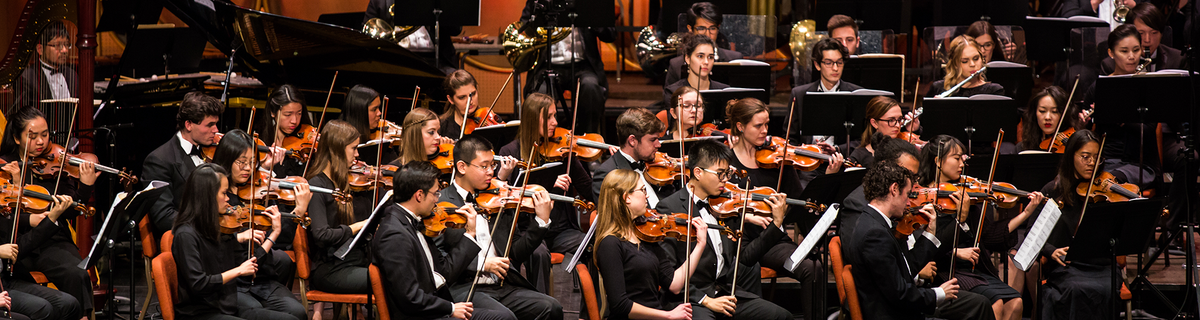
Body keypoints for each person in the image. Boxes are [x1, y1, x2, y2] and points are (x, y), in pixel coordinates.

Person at [656, 140, 792, 320]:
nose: (726, 179)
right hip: (691, 298)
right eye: (720, 174)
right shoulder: (669, 208)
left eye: (727, 173)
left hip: (724, 292)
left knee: (782, 316)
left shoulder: (725, 207)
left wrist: (776, 224)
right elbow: (668, 276)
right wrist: (706, 300)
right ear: (698, 172)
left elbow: (746, 258)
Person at [721, 99, 829, 320]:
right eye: (758, 126)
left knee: (813, 268)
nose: (765, 131)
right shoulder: (725, 162)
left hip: (773, 239)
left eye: (767, 125)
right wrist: (744, 214)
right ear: (740, 127)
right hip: (740, 241)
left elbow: (801, 205)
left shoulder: (779, 160)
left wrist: (828, 179)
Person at [917, 135, 1043, 320]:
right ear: (938, 161)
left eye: (963, 158)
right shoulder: (924, 199)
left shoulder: (965, 194)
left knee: (1016, 302)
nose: (962, 163)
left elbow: (991, 235)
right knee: (996, 305)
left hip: (973, 269)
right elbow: (923, 247)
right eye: (956, 158)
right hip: (945, 270)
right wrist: (956, 252)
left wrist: (1026, 213)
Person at [436, 134, 560, 320]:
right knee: (504, 317)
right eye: (483, 166)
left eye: (492, 165)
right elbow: (438, 261)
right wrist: (481, 265)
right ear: (462, 167)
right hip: (464, 287)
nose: (490, 172)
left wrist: (540, 222)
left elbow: (516, 252)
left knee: (551, 307)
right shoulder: (441, 204)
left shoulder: (498, 199)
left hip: (502, 285)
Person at [0, 106, 96, 318]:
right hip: (20, 242)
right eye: (32, 136)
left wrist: (85, 187)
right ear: (17, 138)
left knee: (77, 274)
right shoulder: (6, 167)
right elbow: (4, 215)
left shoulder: (56, 164)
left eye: (45, 135)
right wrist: (29, 219)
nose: (41, 142)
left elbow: (71, 210)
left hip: (52, 240)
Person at [497, 92, 596, 292]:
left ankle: (590, 311)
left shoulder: (562, 150)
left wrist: (573, 157)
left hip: (560, 230)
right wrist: (551, 187)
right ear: (533, 119)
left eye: (555, 116)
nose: (555, 122)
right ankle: (541, 307)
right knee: (538, 253)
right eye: (549, 117)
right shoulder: (511, 152)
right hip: (528, 228)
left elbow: (589, 189)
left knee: (599, 241)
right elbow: (511, 198)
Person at [842, 161, 962, 319]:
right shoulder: (875, 234)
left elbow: (904, 269)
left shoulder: (873, 222)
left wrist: (930, 233)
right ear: (894, 189)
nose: (908, 203)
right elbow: (900, 294)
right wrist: (939, 293)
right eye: (907, 194)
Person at [210, 130, 309, 320]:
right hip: (232, 281)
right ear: (226, 159)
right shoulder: (216, 197)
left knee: (298, 312)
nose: (248, 168)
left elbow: (283, 239)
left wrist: (298, 211)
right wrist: (237, 237)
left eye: (252, 162)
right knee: (258, 312)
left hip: (261, 279)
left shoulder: (259, 191)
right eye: (241, 162)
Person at [370, 161, 479, 320]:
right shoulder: (394, 235)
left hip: (435, 304)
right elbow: (409, 297)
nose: (437, 200)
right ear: (419, 195)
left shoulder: (414, 222)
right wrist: (450, 308)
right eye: (435, 193)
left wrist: (470, 233)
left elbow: (443, 272)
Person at [593, 169, 704, 320]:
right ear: (627, 198)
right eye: (643, 190)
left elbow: (674, 284)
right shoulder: (610, 244)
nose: (647, 195)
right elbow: (620, 304)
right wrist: (668, 315)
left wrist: (700, 245)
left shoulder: (646, 235)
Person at [1031, 129, 1116, 319]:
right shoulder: (1054, 191)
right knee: (1074, 289)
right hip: (1067, 267)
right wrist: (1051, 250)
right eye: (1085, 157)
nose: (1092, 163)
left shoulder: (1104, 192)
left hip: (1102, 266)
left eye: (1097, 158)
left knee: (1106, 289)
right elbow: (1033, 233)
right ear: (1071, 157)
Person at [171, 163, 269, 320]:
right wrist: (238, 271)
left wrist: (270, 237)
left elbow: (241, 260)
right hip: (200, 313)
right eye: (224, 193)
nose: (228, 198)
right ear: (208, 197)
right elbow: (199, 284)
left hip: (225, 307)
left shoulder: (219, 228)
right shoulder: (186, 235)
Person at [520, 0, 614, 135]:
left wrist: (590, 17)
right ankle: (543, 147)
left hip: (583, 65)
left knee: (591, 88)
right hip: (548, 63)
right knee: (539, 95)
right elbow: (524, 27)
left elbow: (610, 35)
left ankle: (587, 144)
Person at [304, 120, 371, 295]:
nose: (357, 154)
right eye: (353, 148)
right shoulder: (316, 186)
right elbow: (321, 235)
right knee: (389, 280)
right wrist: (355, 227)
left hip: (357, 260)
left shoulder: (348, 183)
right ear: (337, 150)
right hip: (331, 269)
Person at [144, 92, 223, 237]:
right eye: (210, 125)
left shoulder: (213, 152)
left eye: (216, 124)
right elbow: (164, 216)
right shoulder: (159, 160)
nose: (216, 130)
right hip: (189, 241)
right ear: (189, 125)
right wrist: (210, 226)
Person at [787, 38, 865, 140]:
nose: (835, 68)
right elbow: (790, 138)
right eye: (829, 63)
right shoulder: (799, 94)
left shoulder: (857, 94)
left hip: (841, 155)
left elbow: (862, 141)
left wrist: (838, 149)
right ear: (817, 65)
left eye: (839, 62)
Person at [593, 107, 669, 208]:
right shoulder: (607, 174)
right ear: (632, 140)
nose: (658, 145)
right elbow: (615, 217)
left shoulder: (656, 167)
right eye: (652, 140)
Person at [664, 2, 744, 85]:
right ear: (690, 28)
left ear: (718, 28)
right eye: (701, 28)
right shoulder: (676, 65)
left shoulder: (735, 59)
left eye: (712, 28)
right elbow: (670, 96)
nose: (707, 34)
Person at [1101, 3, 1187, 73]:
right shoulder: (1110, 65)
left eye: (1154, 33)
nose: (1147, 40)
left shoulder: (1177, 60)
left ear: (1161, 34)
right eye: (1141, 33)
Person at [11, 21, 77, 112]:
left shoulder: (72, 75)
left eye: (66, 45)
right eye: (58, 45)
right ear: (40, 49)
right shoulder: (26, 78)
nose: (64, 50)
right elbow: (25, 116)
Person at [255, 84, 312, 178]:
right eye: (288, 114)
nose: (294, 121)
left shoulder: (306, 144)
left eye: (299, 113)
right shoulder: (261, 143)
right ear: (272, 112)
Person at [927, 35, 1005, 98]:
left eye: (976, 58)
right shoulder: (938, 88)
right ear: (955, 64)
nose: (972, 64)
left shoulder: (995, 91)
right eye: (965, 61)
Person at [848, 97, 916, 167]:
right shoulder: (859, 156)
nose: (898, 125)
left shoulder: (906, 149)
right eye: (891, 120)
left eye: (899, 119)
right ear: (874, 123)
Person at [339, 85, 398, 165]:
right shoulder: (340, 139)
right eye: (374, 109)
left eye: (379, 108)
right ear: (360, 112)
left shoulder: (382, 140)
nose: (379, 113)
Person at [663, 34, 730, 105]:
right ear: (687, 58)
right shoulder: (673, 92)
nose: (706, 62)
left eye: (710, 57)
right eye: (700, 56)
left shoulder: (724, 92)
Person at [1017, 86, 1083, 152]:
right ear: (1034, 113)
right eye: (1042, 111)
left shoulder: (1073, 145)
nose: (1047, 117)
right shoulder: (1021, 148)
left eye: (1055, 111)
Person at [438, 70, 482, 140]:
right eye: (462, 97)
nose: (469, 101)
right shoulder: (441, 127)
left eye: (473, 94)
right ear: (451, 100)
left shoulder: (488, 122)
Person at [1059, 0, 1142, 28]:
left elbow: (1152, 21)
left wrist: (1135, 7)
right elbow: (1067, 21)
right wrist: (1093, 4)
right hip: (1090, 53)